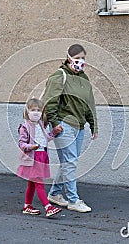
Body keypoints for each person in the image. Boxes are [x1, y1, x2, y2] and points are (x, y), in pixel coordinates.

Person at [42, 44, 98, 213]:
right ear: (68, 58)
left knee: (67, 162)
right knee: (70, 161)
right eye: (77, 58)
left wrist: (93, 124)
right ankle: (73, 200)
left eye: (83, 58)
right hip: (63, 125)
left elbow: (88, 103)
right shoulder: (59, 76)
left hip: (79, 126)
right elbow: (50, 101)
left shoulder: (84, 78)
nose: (81, 61)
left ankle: (54, 194)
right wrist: (54, 123)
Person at [17, 98, 62, 217]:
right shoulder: (25, 127)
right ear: (27, 111)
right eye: (33, 110)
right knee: (38, 182)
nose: (36, 112)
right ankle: (48, 207)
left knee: (32, 183)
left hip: (42, 156)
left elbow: (45, 138)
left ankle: (27, 205)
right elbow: (21, 144)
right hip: (33, 158)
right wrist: (31, 147)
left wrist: (54, 132)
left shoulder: (40, 124)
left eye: (38, 110)